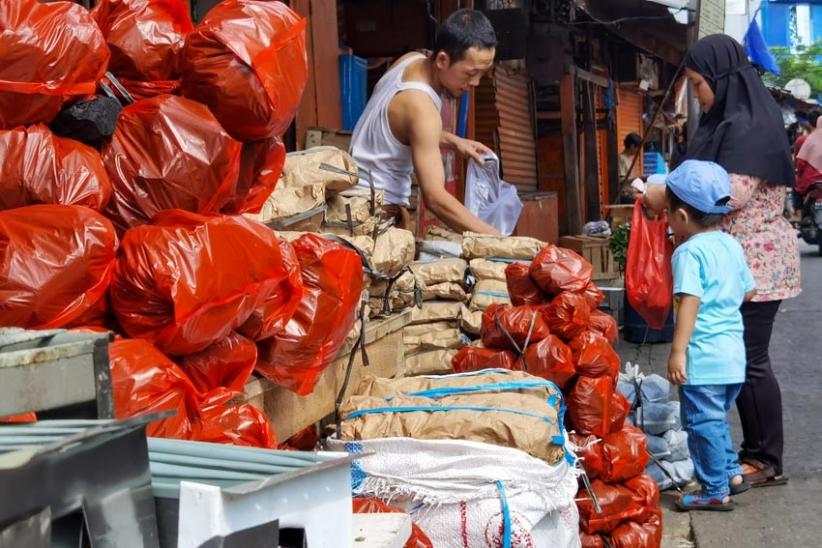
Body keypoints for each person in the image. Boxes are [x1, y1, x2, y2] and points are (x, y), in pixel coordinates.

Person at [639, 34, 799, 489]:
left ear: (721, 78)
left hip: (754, 265)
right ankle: (747, 454)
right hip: (734, 263)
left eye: (697, 83)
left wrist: (664, 193)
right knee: (741, 360)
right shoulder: (730, 120)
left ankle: (766, 458)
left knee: (749, 362)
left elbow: (728, 193)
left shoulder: (748, 127)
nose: (696, 94)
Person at [349, 9, 501, 235]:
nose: (476, 83)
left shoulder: (410, 61)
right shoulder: (422, 108)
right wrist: (498, 239)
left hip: (352, 203)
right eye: (471, 73)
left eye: (483, 73)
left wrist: (452, 140)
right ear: (442, 59)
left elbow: (400, 128)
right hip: (373, 218)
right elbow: (435, 198)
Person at [664, 160, 756, 511]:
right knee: (716, 418)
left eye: (670, 214)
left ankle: (715, 489)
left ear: (683, 217)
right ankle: (731, 471)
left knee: (701, 423)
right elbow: (747, 291)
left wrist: (678, 351)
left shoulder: (688, 251)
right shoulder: (730, 245)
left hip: (703, 356)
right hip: (733, 356)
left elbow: (690, 301)